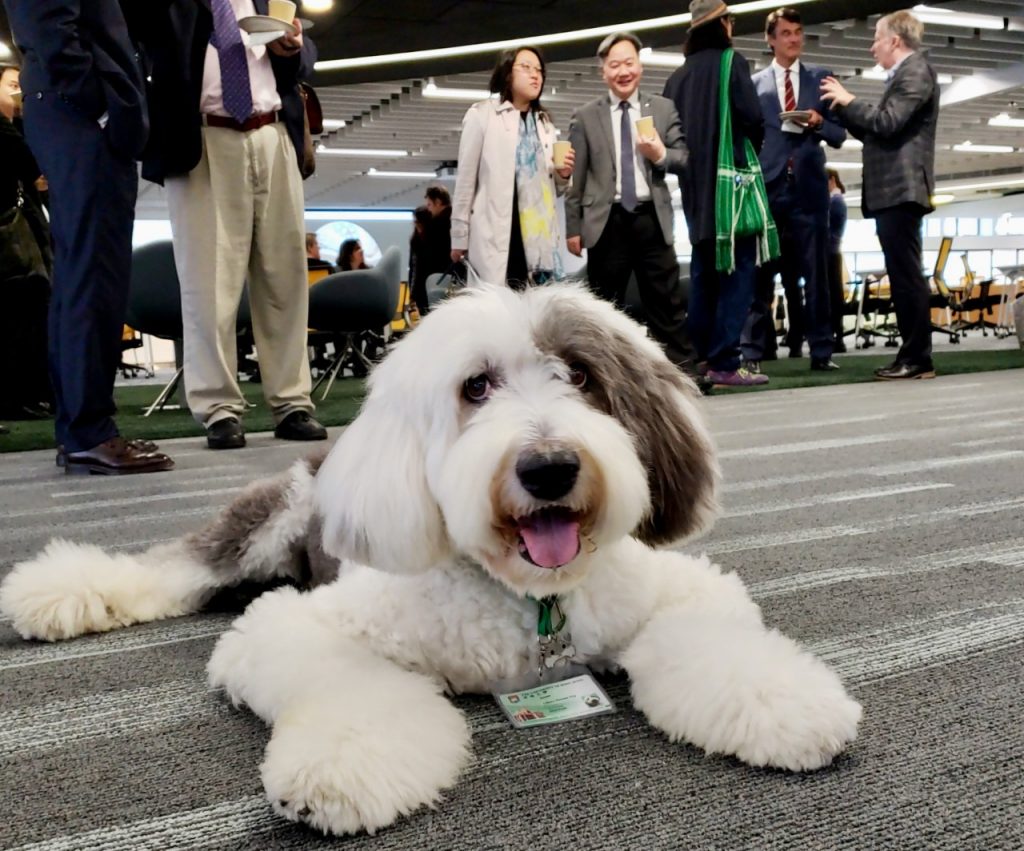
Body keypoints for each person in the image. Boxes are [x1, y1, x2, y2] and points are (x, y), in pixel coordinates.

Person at [138, 0, 327, 450]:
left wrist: (294, 46)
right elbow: (153, 42)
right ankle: (218, 408)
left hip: (273, 132)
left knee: (285, 278)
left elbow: (307, 56)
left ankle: (292, 402)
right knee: (208, 284)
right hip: (203, 139)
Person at [4, 1, 174, 474]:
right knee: (94, 276)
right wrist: (99, 105)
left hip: (71, 111)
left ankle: (84, 428)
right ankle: (88, 432)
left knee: (85, 276)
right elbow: (48, 25)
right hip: (77, 112)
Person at [565, 32, 694, 374]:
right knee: (604, 307)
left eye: (629, 63)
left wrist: (660, 154)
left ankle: (682, 372)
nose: (623, 71)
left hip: (651, 216)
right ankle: (605, 376)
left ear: (640, 65)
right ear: (603, 71)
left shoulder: (663, 109)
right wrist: (573, 228)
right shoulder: (585, 116)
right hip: (607, 222)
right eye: (615, 65)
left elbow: (684, 160)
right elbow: (576, 180)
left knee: (665, 301)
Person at [821, 9, 939, 381]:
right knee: (903, 272)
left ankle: (917, 357)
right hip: (895, 190)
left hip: (901, 189)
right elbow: (880, 132)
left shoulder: (915, 71)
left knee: (905, 275)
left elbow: (886, 123)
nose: (872, 47)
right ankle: (912, 354)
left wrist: (849, 99)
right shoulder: (906, 75)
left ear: (895, 41)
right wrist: (841, 111)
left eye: (876, 38)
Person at [664, 1, 768, 387]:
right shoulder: (732, 63)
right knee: (739, 274)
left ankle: (702, 359)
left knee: (704, 274)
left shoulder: (676, 78)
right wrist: (747, 151)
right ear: (721, 25)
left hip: (694, 192)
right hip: (732, 190)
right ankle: (726, 361)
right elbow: (753, 118)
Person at [740, 7, 845, 373]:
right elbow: (747, 137)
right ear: (771, 39)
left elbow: (839, 136)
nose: (794, 39)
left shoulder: (821, 79)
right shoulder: (754, 85)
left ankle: (821, 351)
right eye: (786, 33)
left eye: (798, 32)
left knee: (816, 276)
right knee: (758, 277)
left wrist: (818, 122)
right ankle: (750, 353)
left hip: (810, 192)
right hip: (767, 190)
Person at [451, 45, 574, 286]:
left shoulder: (545, 123)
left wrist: (563, 175)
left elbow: (553, 188)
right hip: (498, 234)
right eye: (526, 68)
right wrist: (459, 238)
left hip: (539, 240)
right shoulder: (482, 116)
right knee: (498, 313)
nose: (535, 75)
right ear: (507, 73)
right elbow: (465, 183)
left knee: (536, 312)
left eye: (539, 70)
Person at [0, 62, 54, 422]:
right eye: (12, 85)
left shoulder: (15, 128)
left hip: (20, 232)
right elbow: (36, 169)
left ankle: (25, 395)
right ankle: (16, 397)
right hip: (10, 237)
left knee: (26, 312)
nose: (18, 92)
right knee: (20, 311)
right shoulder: (6, 132)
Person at [414, 185, 452, 315]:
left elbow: (426, 262)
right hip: (453, 280)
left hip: (436, 283)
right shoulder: (457, 221)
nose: (428, 209)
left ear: (438, 202)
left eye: (430, 205)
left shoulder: (435, 227)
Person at [826, 168, 849, 352]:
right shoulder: (835, 201)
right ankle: (836, 335)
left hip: (831, 253)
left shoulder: (836, 201)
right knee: (833, 295)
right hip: (832, 252)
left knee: (833, 296)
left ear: (831, 180)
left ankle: (837, 336)